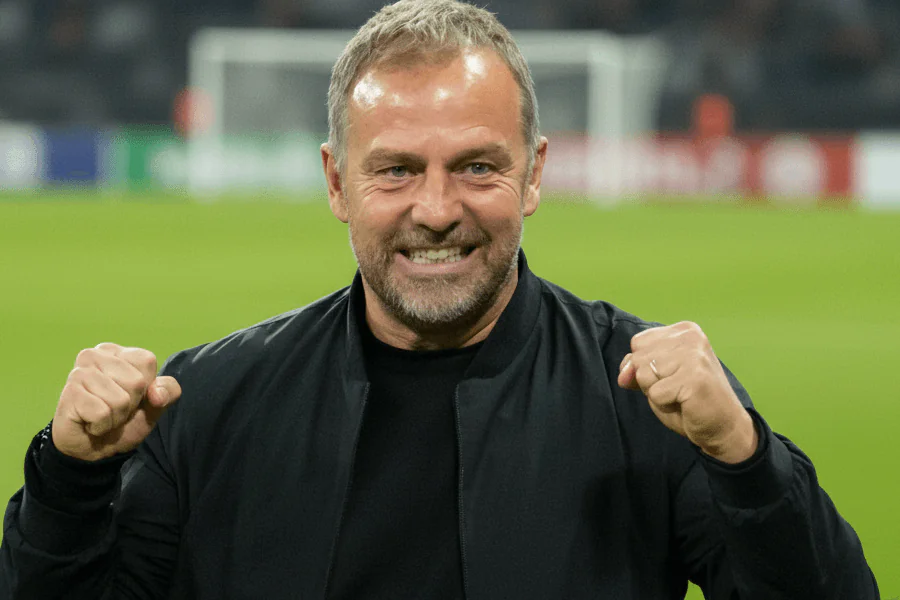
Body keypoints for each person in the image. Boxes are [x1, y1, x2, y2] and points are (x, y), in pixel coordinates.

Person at [0, 0, 879, 598]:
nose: (435, 210)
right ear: (337, 183)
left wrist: (746, 457)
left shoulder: (647, 400)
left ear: (533, 176)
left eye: (476, 166)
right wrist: (67, 479)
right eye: (395, 170)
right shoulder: (210, 404)